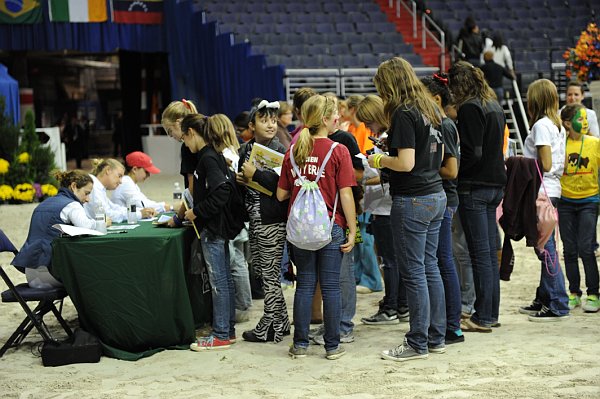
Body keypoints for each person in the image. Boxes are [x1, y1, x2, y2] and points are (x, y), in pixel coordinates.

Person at [368, 57, 446, 362]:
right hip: (435, 194)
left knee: (414, 272)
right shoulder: (429, 108)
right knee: (430, 268)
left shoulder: (403, 112)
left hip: (413, 199)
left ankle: (417, 342)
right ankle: (435, 337)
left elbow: (405, 163)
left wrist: (379, 160)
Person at [278, 94, 357, 360]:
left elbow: (281, 195)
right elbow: (346, 194)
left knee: (305, 284)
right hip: (331, 225)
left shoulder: (293, 150)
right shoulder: (338, 150)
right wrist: (353, 229)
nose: (338, 118)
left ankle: (300, 344)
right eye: (334, 114)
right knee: (331, 286)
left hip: (300, 228)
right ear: (324, 119)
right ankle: (332, 346)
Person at [448, 61, 507, 333]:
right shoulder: (493, 104)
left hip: (476, 186)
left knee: (479, 254)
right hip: (495, 183)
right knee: (486, 255)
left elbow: (474, 153)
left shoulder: (470, 107)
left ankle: (483, 315)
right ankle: (490, 313)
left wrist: (456, 175)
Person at [179, 114, 238, 351]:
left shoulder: (208, 159)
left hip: (213, 228)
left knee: (219, 281)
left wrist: (197, 212)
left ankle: (222, 332)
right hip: (215, 227)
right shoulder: (210, 156)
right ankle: (227, 329)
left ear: (191, 132)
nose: (184, 143)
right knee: (223, 279)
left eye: (184, 137)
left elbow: (222, 192)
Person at [236, 99, 291, 343]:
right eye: (264, 120)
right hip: (255, 218)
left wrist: (255, 174)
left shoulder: (281, 150)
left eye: (273, 120)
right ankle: (282, 322)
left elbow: (283, 187)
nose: (270, 125)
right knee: (261, 271)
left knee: (270, 274)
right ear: (252, 124)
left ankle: (269, 325)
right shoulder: (245, 150)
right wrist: (242, 179)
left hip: (273, 219)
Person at [518, 79, 571, 320]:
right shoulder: (556, 125)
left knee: (546, 249)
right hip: (553, 189)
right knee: (546, 247)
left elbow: (545, 164)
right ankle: (545, 297)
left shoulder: (540, 125)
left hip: (542, 191)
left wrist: (520, 161)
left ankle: (558, 302)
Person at [356, 94, 410, 326]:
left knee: (390, 260)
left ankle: (392, 306)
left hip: (387, 208)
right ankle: (399, 304)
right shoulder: (388, 138)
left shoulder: (388, 140)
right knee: (393, 259)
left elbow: (384, 177)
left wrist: (364, 172)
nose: (367, 127)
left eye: (369, 122)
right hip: (386, 206)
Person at [422, 73, 464, 344]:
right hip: (443, 197)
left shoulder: (445, 126)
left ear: (436, 98)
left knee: (443, 262)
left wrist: (421, 163)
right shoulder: (438, 124)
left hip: (446, 198)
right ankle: (448, 322)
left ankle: (452, 324)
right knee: (440, 261)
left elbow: (451, 170)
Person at [12, 170, 98, 289]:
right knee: (95, 275)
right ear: (73, 186)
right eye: (86, 193)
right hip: (48, 274)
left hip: (30, 273)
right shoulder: (72, 205)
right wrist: (101, 222)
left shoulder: (44, 203)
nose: (88, 199)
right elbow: (86, 226)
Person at [210, 113, 253, 322]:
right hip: (237, 213)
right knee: (238, 259)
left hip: (231, 214)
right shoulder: (233, 152)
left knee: (235, 260)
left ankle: (243, 305)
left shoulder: (226, 155)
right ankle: (243, 304)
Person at [558, 103, 600, 313]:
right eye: (580, 119)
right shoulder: (560, 144)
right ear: (567, 123)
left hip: (589, 201)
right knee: (570, 249)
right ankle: (574, 292)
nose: (584, 122)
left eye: (585, 119)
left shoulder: (594, 143)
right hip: (565, 202)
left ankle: (594, 293)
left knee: (586, 248)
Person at [160, 99, 202, 227]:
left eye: (169, 131)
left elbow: (193, 187)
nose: (171, 136)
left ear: (178, 123)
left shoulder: (188, 148)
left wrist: (178, 217)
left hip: (202, 214)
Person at [84, 159, 155, 223]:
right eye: (119, 176)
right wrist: (139, 214)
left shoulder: (98, 186)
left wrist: (139, 211)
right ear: (108, 170)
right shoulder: (93, 185)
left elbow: (114, 207)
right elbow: (107, 215)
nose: (121, 181)